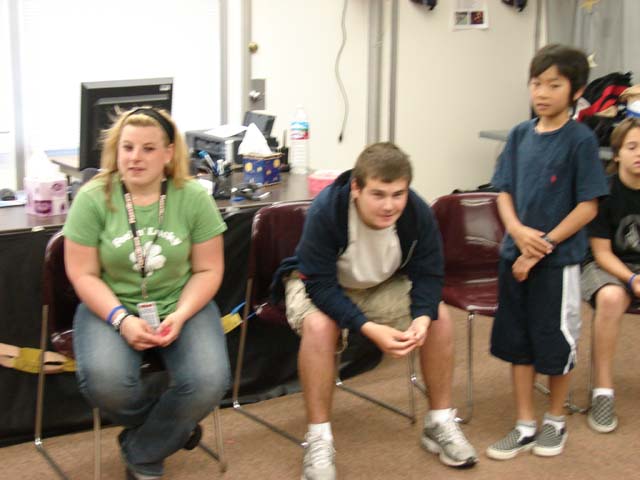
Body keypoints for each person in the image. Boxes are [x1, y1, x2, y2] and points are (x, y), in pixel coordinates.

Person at [273, 142, 477, 480]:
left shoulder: (417, 212)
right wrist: (367, 327)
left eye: (398, 194)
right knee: (320, 327)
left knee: (438, 317)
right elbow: (320, 286)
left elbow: (429, 273)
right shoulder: (328, 210)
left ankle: (439, 422)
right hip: (318, 283)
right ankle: (319, 438)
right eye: (378, 194)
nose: (389, 206)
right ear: (356, 187)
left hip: (379, 284)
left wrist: (422, 316)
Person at [63, 107, 230, 479]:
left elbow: (208, 269)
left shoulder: (193, 197)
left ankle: (142, 449)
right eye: (128, 147)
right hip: (111, 304)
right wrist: (121, 320)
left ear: (168, 153)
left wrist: (181, 314)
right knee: (107, 383)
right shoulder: (93, 198)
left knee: (208, 382)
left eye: (148, 148)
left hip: (181, 301)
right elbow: (82, 273)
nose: (135, 157)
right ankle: (174, 426)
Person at [486, 44, 609, 460]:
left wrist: (542, 245)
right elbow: (503, 191)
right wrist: (517, 231)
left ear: (576, 91)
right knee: (517, 343)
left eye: (554, 85)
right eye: (537, 83)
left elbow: (588, 206)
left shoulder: (580, 140)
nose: (542, 92)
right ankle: (525, 424)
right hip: (513, 256)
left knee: (555, 343)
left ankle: (555, 420)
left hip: (557, 263)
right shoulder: (520, 135)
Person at [580, 117, 640, 433]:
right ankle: (602, 390)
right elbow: (602, 253)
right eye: (632, 147)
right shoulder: (604, 192)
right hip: (605, 265)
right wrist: (632, 280)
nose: (639, 153)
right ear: (617, 154)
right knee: (612, 297)